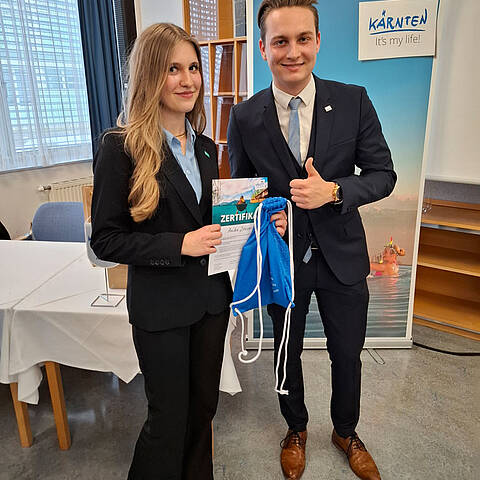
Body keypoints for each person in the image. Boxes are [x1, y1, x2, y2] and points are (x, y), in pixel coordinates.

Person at [91, 23, 286, 480]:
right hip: (161, 309)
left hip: (211, 304)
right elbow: (105, 240)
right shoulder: (120, 147)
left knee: (203, 412)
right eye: (172, 69)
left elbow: (215, 224)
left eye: (193, 68)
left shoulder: (206, 148)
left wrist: (261, 225)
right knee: (167, 421)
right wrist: (180, 244)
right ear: (149, 75)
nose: (187, 80)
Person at [227, 1, 396, 479]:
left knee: (347, 353)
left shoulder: (354, 100)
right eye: (280, 41)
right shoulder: (244, 117)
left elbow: (383, 175)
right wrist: (266, 215)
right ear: (263, 49)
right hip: (283, 261)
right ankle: (295, 428)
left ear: (318, 41)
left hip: (343, 255)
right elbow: (243, 193)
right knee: (287, 351)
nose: (293, 52)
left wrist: (334, 191)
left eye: (303, 39)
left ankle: (346, 431)